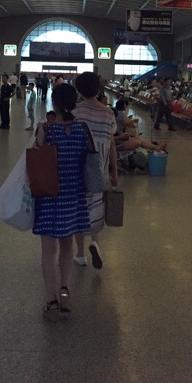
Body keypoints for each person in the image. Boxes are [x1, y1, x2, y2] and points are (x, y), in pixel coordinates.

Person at [33, 83, 92, 321]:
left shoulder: (46, 130)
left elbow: (37, 159)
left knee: (48, 251)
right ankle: (65, 291)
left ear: (54, 104)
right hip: (73, 195)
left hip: (49, 195)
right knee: (67, 247)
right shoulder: (82, 130)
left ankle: (51, 301)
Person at [72, 72, 118, 270]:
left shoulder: (75, 111)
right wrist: (114, 171)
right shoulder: (108, 113)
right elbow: (112, 143)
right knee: (95, 207)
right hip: (100, 169)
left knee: (79, 209)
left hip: (78, 168)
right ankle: (95, 242)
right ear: (99, 89)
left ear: (78, 89)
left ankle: (80, 254)